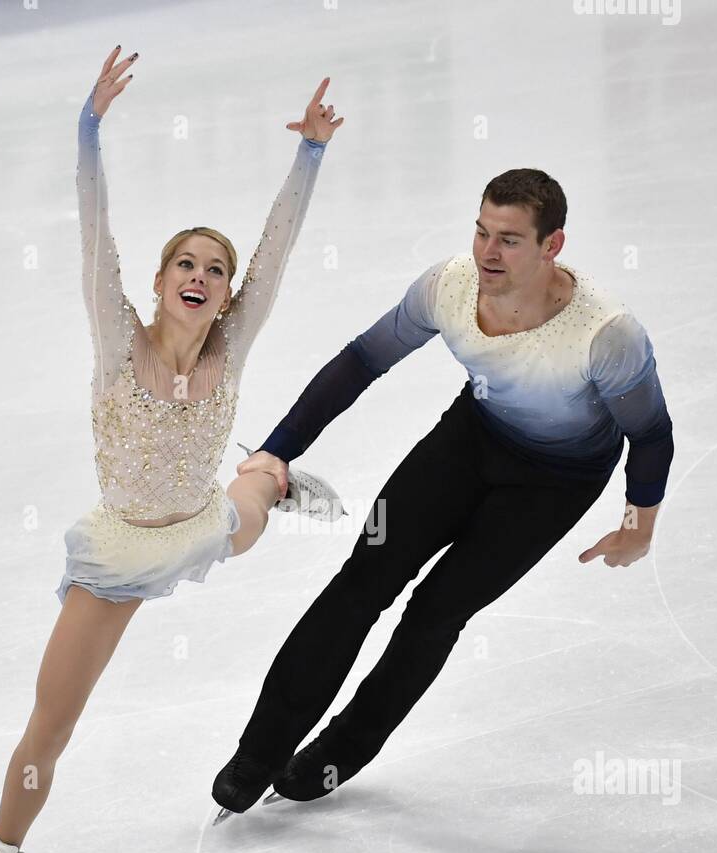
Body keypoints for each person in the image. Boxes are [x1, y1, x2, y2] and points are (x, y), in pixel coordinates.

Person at [0, 47, 345, 853]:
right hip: (121, 552)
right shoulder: (118, 341)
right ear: (161, 282)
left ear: (225, 293)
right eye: (184, 265)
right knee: (53, 722)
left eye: (215, 269)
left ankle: (272, 477)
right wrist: (87, 131)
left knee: (244, 510)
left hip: (202, 521)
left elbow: (276, 251)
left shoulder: (228, 350)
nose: (199, 277)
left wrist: (309, 154)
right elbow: (97, 237)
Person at [211, 166, 675, 816]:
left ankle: (345, 747)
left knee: (435, 611)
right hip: (472, 438)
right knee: (364, 577)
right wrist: (279, 448)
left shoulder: (606, 337)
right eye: (483, 231)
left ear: (552, 245)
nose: (489, 251)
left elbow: (650, 434)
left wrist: (638, 523)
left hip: (556, 483)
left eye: (510, 239)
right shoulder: (449, 287)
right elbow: (360, 362)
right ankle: (258, 752)